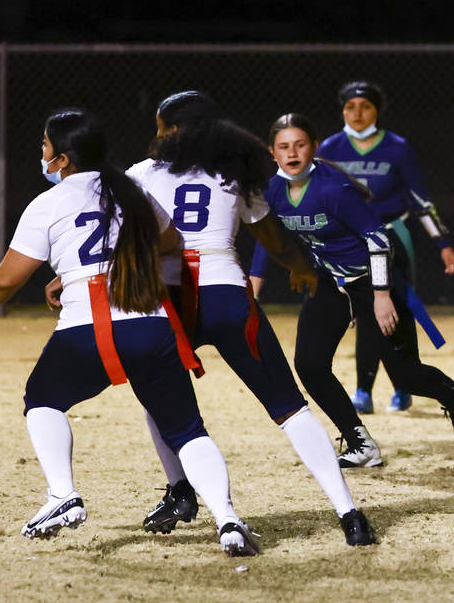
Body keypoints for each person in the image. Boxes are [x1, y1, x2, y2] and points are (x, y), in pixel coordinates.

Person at [0, 108, 259, 557]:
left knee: (42, 400)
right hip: (151, 326)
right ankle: (228, 521)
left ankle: (62, 495)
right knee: (187, 430)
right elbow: (169, 242)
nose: (42, 154)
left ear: (63, 158)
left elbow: (8, 280)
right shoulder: (132, 192)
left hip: (88, 328)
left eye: (46, 146)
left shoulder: (48, 203)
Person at [124, 91, 376, 545]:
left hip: (169, 298)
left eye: (162, 127)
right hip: (227, 295)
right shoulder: (234, 174)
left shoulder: (141, 175)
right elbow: (273, 238)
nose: (156, 136)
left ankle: (194, 497)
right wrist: (300, 269)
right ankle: (349, 513)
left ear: (178, 131)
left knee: (163, 405)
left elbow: (116, 236)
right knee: (289, 407)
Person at [250, 113, 454, 455]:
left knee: (404, 375)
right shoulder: (273, 191)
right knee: (309, 365)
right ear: (272, 152)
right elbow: (267, 239)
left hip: (375, 278)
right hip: (331, 280)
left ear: (314, 146)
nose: (292, 153)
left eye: (300, 144)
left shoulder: (333, 187)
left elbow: (378, 238)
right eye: (283, 147)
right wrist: (253, 289)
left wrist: (381, 294)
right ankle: (360, 442)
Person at [317, 81, 454, 414]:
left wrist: (443, 243)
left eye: (365, 106)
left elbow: (421, 200)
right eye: (350, 107)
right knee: (364, 315)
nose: (357, 113)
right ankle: (363, 390)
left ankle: (401, 386)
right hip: (349, 243)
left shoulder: (397, 147)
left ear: (377, 109)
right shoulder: (331, 148)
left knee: (396, 312)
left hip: (393, 238)